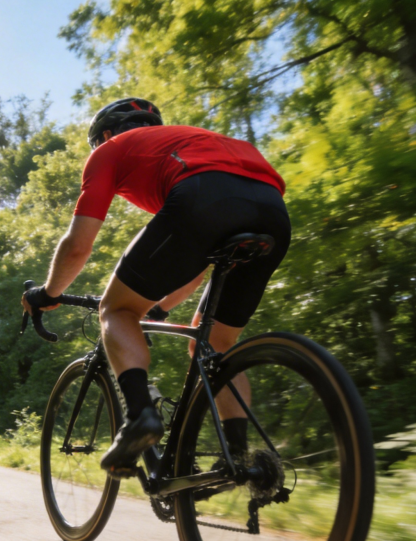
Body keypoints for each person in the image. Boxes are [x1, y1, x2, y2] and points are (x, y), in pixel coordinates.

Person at [22, 98, 291, 478]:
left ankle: (140, 420)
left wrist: (48, 293)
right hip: (273, 211)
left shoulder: (110, 151)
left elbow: (78, 245)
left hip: (203, 197)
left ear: (107, 134)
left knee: (116, 310)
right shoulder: (191, 144)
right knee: (213, 342)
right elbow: (197, 266)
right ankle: (240, 459)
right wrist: (160, 308)